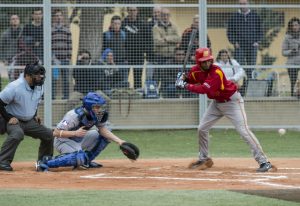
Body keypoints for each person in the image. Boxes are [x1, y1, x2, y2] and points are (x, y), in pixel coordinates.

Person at [175, 47, 276, 172]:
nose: (207, 63)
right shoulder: (195, 70)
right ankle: (204, 158)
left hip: (232, 102)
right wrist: (182, 78)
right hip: (216, 103)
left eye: (208, 60)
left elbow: (204, 89)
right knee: (202, 128)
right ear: (198, 62)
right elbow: (191, 78)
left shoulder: (216, 72)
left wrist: (185, 85)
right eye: (204, 61)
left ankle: (264, 162)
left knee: (243, 131)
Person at [35, 92, 133, 171]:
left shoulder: (95, 115)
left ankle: (86, 161)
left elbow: (103, 130)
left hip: (78, 139)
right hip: (63, 141)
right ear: (90, 106)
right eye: (97, 107)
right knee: (79, 156)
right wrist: (75, 133)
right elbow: (55, 132)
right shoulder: (72, 115)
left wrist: (120, 141)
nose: (100, 109)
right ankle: (44, 162)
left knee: (104, 136)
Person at [0, 62, 53, 171]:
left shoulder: (39, 87)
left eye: (41, 75)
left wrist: (35, 114)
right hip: (13, 120)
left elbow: (34, 101)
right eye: (37, 75)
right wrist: (8, 117)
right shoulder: (15, 87)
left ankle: (44, 162)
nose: (40, 78)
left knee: (48, 134)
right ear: (27, 76)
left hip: (29, 121)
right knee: (17, 134)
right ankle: (3, 161)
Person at [227, 0, 263, 93]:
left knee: (251, 67)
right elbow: (229, 31)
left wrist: (257, 41)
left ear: (248, 4)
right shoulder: (234, 17)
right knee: (239, 67)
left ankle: (249, 89)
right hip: (239, 47)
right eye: (241, 4)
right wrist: (234, 42)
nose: (242, 5)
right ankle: (238, 90)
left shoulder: (255, 16)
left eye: (244, 3)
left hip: (252, 46)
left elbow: (260, 30)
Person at [121, 7, 150, 89]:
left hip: (138, 55)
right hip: (126, 55)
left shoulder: (142, 24)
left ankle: (138, 94)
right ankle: (124, 94)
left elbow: (147, 39)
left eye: (134, 10)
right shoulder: (123, 23)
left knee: (138, 78)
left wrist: (145, 52)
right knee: (124, 78)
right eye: (130, 10)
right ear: (127, 11)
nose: (132, 12)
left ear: (137, 11)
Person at [51, 9, 72, 99]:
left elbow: (70, 44)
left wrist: (68, 57)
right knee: (54, 78)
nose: (58, 17)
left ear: (63, 17)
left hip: (65, 60)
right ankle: (52, 97)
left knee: (66, 79)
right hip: (55, 60)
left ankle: (66, 97)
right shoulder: (51, 30)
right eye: (57, 16)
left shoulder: (67, 30)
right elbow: (50, 44)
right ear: (54, 18)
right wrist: (52, 58)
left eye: (60, 15)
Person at [282, 17, 300, 96]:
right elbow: (283, 52)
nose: (295, 27)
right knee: (293, 81)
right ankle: (292, 96)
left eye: (297, 25)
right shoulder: (287, 37)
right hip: (292, 62)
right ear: (291, 27)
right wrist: (291, 51)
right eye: (293, 25)